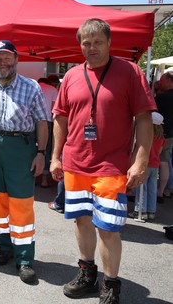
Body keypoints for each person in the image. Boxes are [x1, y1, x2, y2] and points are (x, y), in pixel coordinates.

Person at [50, 18, 156, 304]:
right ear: (80, 45)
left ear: (109, 42)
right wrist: (55, 156)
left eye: (98, 42)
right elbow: (60, 118)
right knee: (81, 221)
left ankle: (111, 284)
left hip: (111, 166)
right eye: (86, 42)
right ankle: (87, 274)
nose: (92, 47)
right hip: (75, 164)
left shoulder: (130, 72)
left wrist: (141, 161)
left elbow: (145, 120)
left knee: (108, 229)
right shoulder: (71, 76)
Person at [0, 40, 48, 283]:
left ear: (16, 59)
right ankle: (4, 247)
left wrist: (41, 153)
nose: (2, 63)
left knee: (21, 203)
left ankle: (24, 258)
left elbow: (42, 122)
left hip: (20, 148)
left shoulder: (31, 87)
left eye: (7, 58)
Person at [130, 112, 165, 220]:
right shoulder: (161, 139)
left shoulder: (145, 137)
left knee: (142, 188)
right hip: (155, 165)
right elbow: (159, 152)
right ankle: (151, 211)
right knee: (152, 189)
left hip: (145, 164)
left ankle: (140, 211)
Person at [155, 69, 173, 202]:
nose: (160, 83)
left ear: (168, 81)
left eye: (162, 80)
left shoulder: (162, 98)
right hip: (170, 134)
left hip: (160, 134)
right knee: (165, 162)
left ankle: (158, 191)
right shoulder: (163, 96)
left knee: (156, 162)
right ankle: (162, 191)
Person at [37, 77, 58, 188]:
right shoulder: (53, 90)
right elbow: (54, 109)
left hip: (31, 123)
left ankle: (30, 176)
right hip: (46, 122)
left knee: (30, 149)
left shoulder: (32, 86)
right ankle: (44, 180)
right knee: (45, 149)